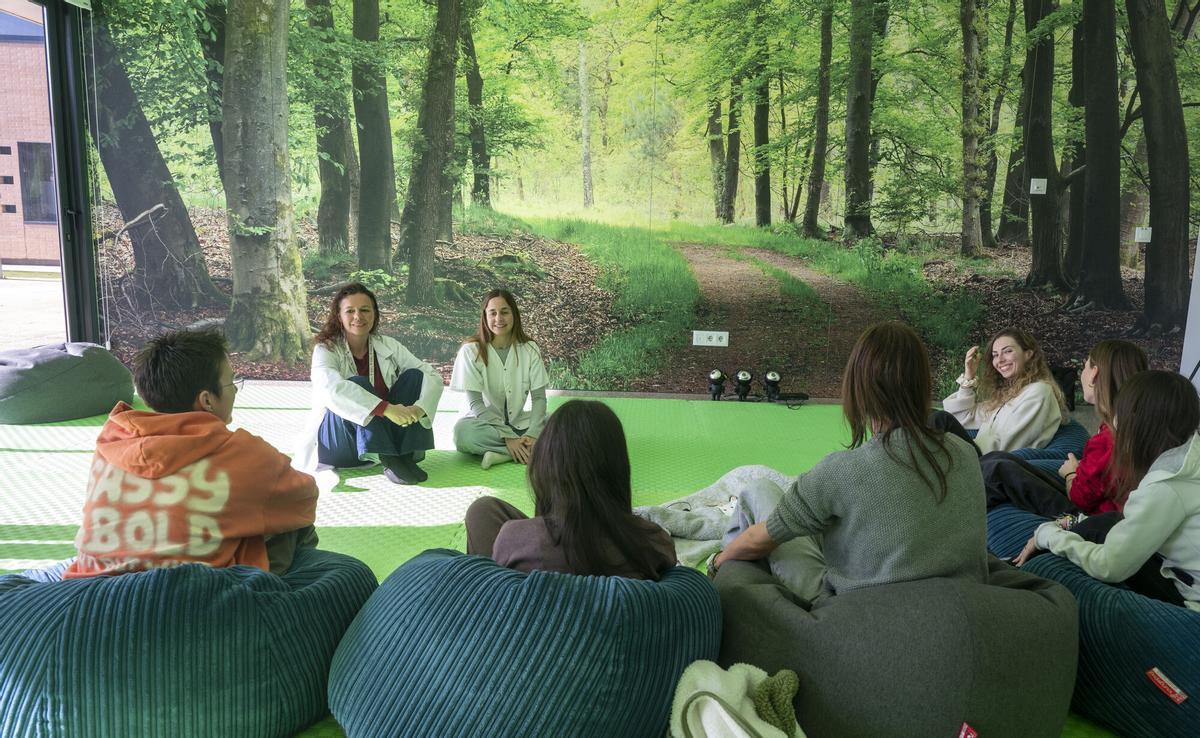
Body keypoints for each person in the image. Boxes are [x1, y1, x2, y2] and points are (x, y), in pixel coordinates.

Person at [712, 322, 988, 603]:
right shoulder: (964, 452)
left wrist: (717, 563)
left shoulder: (842, 471)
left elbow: (760, 538)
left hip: (852, 614)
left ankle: (721, 568)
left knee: (759, 490)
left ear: (859, 389)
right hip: (958, 603)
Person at [65, 329, 318, 579]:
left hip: (90, 588)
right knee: (288, 521)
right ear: (207, 400)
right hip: (193, 597)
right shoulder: (244, 453)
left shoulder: (111, 441)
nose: (236, 390)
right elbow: (304, 496)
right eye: (232, 381)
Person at [1015, 370, 1200, 610]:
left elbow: (1109, 564)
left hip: (1189, 602)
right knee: (1104, 523)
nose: (1114, 419)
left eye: (1121, 411)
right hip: (1167, 562)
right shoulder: (1187, 454)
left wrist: (1048, 535)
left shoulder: (1165, 484)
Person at [464, 399, 677, 579]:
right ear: (619, 471)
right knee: (485, 509)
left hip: (534, 610)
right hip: (609, 544)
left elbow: (494, 591)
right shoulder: (655, 542)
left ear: (546, 467)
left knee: (481, 513)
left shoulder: (515, 538)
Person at [295, 283, 444, 485]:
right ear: (339, 316)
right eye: (350, 311)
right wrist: (386, 409)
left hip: (389, 436)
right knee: (356, 383)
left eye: (365, 310)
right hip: (342, 444)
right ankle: (389, 459)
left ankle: (405, 455)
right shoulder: (326, 349)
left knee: (415, 376)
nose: (358, 316)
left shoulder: (388, 344)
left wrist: (418, 410)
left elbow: (431, 376)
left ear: (374, 314)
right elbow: (330, 389)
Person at [980, 340, 1148, 517]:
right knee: (997, 461)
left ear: (1094, 375)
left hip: (1090, 519)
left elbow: (1080, 498)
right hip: (1102, 505)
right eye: (995, 355)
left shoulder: (1109, 439)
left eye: (1085, 367)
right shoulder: (1128, 424)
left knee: (997, 469)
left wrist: (1071, 474)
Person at [450, 289, 550, 469]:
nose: (498, 319)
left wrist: (534, 433)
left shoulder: (530, 348)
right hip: (484, 426)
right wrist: (507, 436)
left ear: (514, 314)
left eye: (504, 312)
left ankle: (501, 455)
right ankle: (530, 450)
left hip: (521, 424)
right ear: (485, 316)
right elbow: (476, 404)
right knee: (462, 435)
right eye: (492, 313)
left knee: (557, 424)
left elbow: (539, 398)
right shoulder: (470, 350)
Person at [942, 328, 1069, 454]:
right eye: (995, 355)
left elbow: (1007, 445)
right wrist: (969, 377)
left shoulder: (1039, 391)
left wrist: (959, 452)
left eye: (1007, 351)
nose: (1000, 360)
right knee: (940, 419)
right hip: (978, 453)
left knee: (940, 419)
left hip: (984, 459)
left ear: (1028, 354)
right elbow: (963, 417)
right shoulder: (1010, 393)